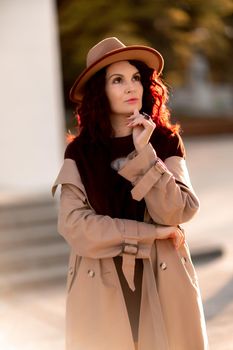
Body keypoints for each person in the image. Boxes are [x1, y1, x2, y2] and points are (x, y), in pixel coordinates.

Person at [52, 37, 208, 350]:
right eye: (117, 80)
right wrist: (152, 234)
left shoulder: (164, 142)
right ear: (100, 91)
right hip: (101, 283)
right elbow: (75, 226)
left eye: (135, 78)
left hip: (163, 279)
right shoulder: (80, 153)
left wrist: (144, 153)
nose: (130, 87)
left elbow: (179, 211)